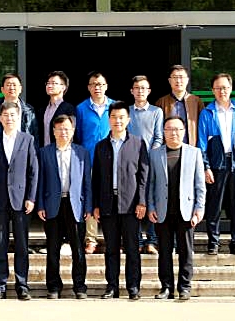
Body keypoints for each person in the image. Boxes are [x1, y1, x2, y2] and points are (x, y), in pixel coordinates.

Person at [0, 101, 39, 301]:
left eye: (13, 115)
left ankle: (22, 285)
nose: (9, 119)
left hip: (21, 200)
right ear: (0, 118)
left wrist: (31, 197)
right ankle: (0, 285)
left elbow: (33, 171)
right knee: (0, 244)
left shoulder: (27, 139)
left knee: (22, 245)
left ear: (19, 117)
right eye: (5, 115)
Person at [91, 101, 148, 301]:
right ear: (109, 120)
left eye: (121, 117)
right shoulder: (101, 146)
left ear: (128, 119)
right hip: (108, 203)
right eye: (114, 117)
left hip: (131, 204)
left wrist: (142, 201)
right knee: (111, 249)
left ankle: (133, 287)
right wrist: (95, 205)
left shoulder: (138, 143)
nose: (118, 121)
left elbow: (144, 175)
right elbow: (96, 178)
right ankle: (112, 286)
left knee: (132, 248)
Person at [147, 116, 206, 302]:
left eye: (178, 129)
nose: (174, 133)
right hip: (162, 210)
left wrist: (199, 209)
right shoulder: (155, 154)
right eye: (169, 129)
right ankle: (166, 287)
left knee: (186, 251)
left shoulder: (194, 153)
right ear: (163, 132)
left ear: (184, 131)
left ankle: (185, 287)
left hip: (186, 211)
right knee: (164, 252)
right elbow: (151, 184)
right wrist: (151, 206)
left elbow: (200, 184)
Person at [36, 114, 91, 300]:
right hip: (52, 205)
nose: (63, 132)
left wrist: (88, 206)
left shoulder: (81, 152)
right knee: (53, 249)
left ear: (73, 131)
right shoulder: (44, 152)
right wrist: (40, 205)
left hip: (75, 205)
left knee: (78, 249)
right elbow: (40, 181)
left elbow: (87, 182)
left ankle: (80, 286)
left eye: (67, 129)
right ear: (53, 131)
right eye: (59, 129)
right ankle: (53, 286)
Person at [198, 73, 235, 255]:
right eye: (218, 88)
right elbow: (201, 143)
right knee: (214, 205)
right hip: (216, 164)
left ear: (231, 88)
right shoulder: (207, 112)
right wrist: (205, 167)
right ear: (213, 90)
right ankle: (213, 242)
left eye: (225, 87)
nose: (222, 91)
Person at [74, 71, 114, 254]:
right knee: (90, 197)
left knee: (110, 196)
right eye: (93, 84)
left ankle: (112, 237)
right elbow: (78, 136)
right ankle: (91, 239)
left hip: (111, 159)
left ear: (106, 86)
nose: (97, 87)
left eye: (100, 84)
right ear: (88, 87)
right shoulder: (81, 108)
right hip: (88, 159)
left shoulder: (114, 106)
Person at [128, 75, 163, 255]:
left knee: (150, 199)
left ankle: (151, 240)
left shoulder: (157, 112)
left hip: (150, 161)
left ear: (149, 91)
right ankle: (137, 240)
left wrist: (151, 155)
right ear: (131, 91)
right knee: (133, 199)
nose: (140, 91)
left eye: (143, 88)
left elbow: (158, 137)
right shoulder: (127, 112)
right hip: (130, 162)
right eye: (137, 88)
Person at [0, 73, 39, 147]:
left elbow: (35, 136)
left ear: (20, 89)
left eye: (14, 85)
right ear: (2, 89)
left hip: (23, 150)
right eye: (8, 85)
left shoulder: (29, 110)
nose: (11, 88)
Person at [155, 65, 205, 146]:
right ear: (169, 80)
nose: (178, 81)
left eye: (181, 77)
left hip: (191, 147)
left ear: (187, 80)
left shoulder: (197, 101)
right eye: (175, 77)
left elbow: (203, 128)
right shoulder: (161, 102)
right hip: (168, 148)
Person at [39, 71, 77, 148]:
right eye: (48, 83)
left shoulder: (69, 109)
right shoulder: (42, 110)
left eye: (53, 83)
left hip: (61, 151)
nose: (49, 86)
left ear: (63, 87)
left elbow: (71, 134)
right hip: (44, 151)